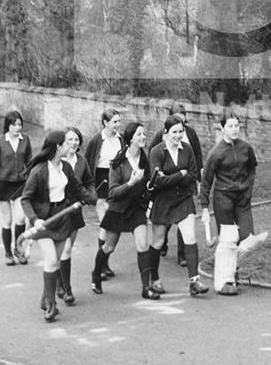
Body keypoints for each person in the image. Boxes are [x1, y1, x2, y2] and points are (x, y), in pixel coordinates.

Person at [20, 130, 97, 322]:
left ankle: (45, 297)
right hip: (44, 221)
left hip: (62, 219)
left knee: (55, 262)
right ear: (57, 147)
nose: (69, 146)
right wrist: (35, 219)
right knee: (52, 261)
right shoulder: (39, 171)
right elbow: (26, 199)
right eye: (65, 143)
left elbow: (77, 188)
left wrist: (93, 198)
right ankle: (51, 306)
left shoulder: (65, 167)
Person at [94, 120, 160, 300]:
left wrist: (150, 188)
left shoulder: (144, 160)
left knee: (142, 245)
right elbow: (113, 192)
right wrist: (130, 183)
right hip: (118, 209)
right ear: (130, 139)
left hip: (136, 209)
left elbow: (146, 188)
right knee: (108, 247)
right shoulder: (118, 162)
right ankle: (96, 274)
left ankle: (146, 288)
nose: (143, 137)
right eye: (139, 134)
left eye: (144, 134)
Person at [198, 110, 259, 296]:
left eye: (237, 126)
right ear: (222, 128)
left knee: (247, 237)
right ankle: (225, 281)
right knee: (228, 241)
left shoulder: (246, 148)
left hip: (242, 199)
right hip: (223, 198)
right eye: (230, 126)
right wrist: (204, 207)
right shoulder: (216, 153)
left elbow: (252, 169)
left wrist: (247, 189)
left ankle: (234, 272)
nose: (234, 129)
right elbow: (206, 181)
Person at [148, 115, 208, 297]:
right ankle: (155, 279)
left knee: (190, 237)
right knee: (158, 241)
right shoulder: (157, 152)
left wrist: (174, 177)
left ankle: (194, 281)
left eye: (181, 131)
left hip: (183, 199)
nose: (178, 135)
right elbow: (157, 180)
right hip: (163, 201)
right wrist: (179, 176)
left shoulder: (187, 149)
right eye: (174, 132)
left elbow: (192, 173)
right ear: (165, 132)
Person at [0, 109, 33, 266]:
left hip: (20, 184)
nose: (18, 127)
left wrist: (32, 182)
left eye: (20, 124)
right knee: (7, 220)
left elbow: (30, 163)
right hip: (2, 185)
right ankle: (7, 253)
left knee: (20, 219)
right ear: (8, 126)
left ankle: (18, 250)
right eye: (14, 125)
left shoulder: (25, 140)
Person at [56, 126, 96, 305]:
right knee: (63, 249)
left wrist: (91, 195)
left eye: (76, 139)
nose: (73, 143)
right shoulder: (57, 161)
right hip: (59, 210)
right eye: (69, 139)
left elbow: (88, 181)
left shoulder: (82, 161)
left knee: (67, 248)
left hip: (76, 210)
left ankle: (59, 282)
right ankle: (67, 289)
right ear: (63, 142)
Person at [84, 107, 122, 283]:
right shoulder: (96, 141)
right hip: (100, 184)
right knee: (105, 225)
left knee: (111, 226)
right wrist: (88, 190)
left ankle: (104, 264)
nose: (118, 125)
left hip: (115, 185)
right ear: (105, 123)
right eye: (115, 122)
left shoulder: (121, 140)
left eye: (119, 121)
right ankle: (100, 267)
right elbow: (87, 163)